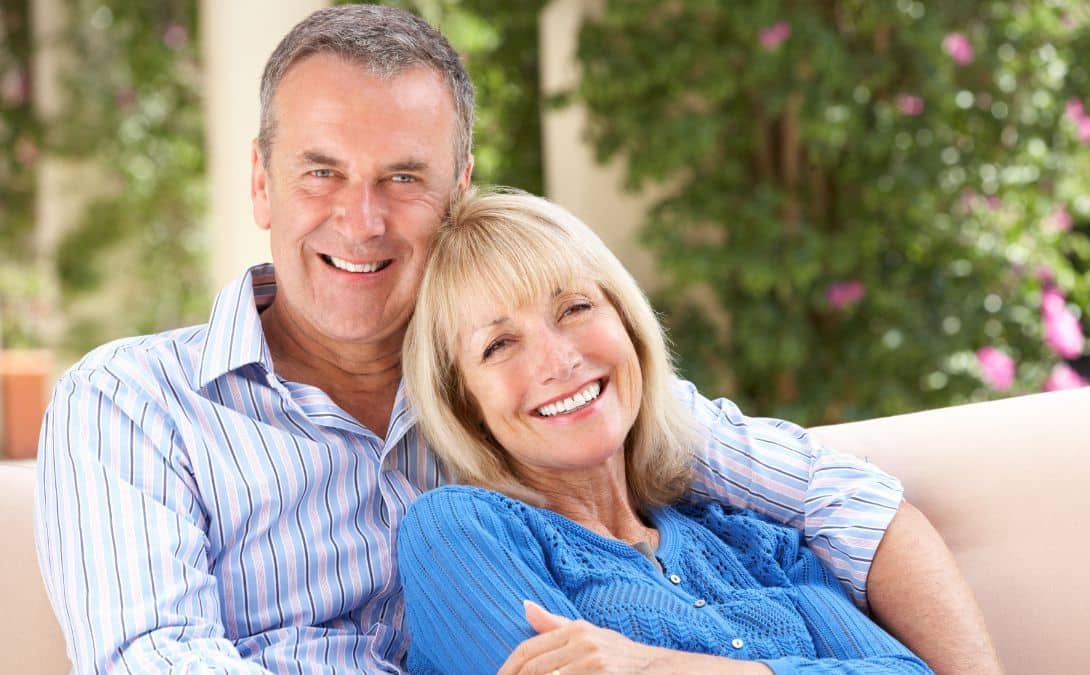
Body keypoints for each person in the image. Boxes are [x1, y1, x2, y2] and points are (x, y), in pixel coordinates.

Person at [34, 4, 999, 673]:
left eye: (403, 178)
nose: (360, 220)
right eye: (321, 172)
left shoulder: (538, 394)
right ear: (260, 181)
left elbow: (849, 506)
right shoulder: (131, 400)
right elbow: (155, 656)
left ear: (456, 190)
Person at [397, 187, 935, 674]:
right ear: (466, 404)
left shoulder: (755, 542)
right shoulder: (459, 531)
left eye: (575, 308)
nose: (558, 361)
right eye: (499, 345)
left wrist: (664, 668)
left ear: (627, 324)